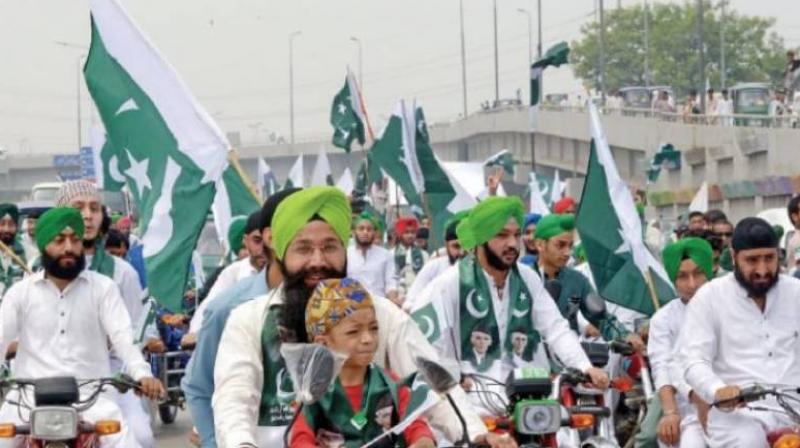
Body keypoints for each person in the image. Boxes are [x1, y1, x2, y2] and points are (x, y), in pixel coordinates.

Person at [211, 187, 509, 448]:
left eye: (329, 247)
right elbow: (234, 399)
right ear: (281, 252)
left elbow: (430, 379)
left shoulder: (380, 313)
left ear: (345, 249)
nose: (318, 261)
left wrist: (476, 433)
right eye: (303, 249)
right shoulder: (249, 319)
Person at [410, 196, 609, 416]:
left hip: (530, 400)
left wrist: (584, 366)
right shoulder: (448, 285)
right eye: (502, 235)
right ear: (480, 239)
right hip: (472, 406)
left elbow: (555, 329)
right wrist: (451, 379)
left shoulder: (527, 279)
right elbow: (422, 348)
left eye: (516, 235)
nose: (513, 244)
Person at [0, 207, 164, 448]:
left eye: (74, 240)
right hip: (28, 401)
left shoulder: (103, 288)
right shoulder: (20, 293)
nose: (68, 247)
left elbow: (123, 338)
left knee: (132, 442)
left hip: (92, 399)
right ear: (44, 245)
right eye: (59, 240)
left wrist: (142, 375)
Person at [182, 188, 301, 448]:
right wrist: (214, 442)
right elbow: (198, 386)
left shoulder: (334, 304)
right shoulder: (229, 308)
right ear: (270, 237)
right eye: (299, 232)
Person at [679, 217, 800, 447]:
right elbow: (694, 360)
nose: (763, 270)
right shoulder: (710, 298)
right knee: (749, 441)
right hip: (738, 415)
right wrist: (718, 390)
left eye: (769, 258)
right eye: (752, 260)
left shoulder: (796, 293)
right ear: (734, 257)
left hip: (793, 407)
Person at [54, 180, 157, 447]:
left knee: (140, 436)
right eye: (78, 207)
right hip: (51, 377)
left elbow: (134, 334)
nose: (87, 215)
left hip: (109, 377)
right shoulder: (37, 270)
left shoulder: (122, 273)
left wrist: (131, 373)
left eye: (94, 208)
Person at [289, 278, 436, 448]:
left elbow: (415, 423)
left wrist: (423, 440)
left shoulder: (391, 384)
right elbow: (300, 440)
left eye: (374, 328)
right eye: (353, 332)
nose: (368, 339)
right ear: (323, 344)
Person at [533, 214, 642, 347]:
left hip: (571, 359)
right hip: (530, 359)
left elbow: (601, 319)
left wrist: (624, 335)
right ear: (540, 245)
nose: (567, 252)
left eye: (570, 246)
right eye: (560, 245)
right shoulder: (523, 278)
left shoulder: (578, 281)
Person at [647, 238, 713, 448]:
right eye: (682, 276)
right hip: (679, 398)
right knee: (648, 436)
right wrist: (670, 413)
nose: (692, 284)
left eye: (698, 273)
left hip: (728, 398)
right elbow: (664, 366)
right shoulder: (663, 318)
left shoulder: (729, 307)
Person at [190, 211, 266, 333]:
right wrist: (196, 334)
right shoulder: (232, 273)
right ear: (245, 241)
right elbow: (208, 309)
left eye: (268, 241)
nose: (263, 249)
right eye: (257, 241)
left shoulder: (284, 274)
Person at [404, 210, 470, 311]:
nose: (462, 252)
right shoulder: (434, 267)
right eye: (456, 246)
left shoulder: (481, 271)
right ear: (446, 245)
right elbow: (410, 302)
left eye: (467, 246)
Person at [347, 211, 398, 301]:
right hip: (352, 307)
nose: (365, 232)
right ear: (354, 232)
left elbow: (390, 282)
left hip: (379, 306)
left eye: (369, 229)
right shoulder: (346, 254)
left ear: (374, 233)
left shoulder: (386, 255)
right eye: (361, 229)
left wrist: (393, 299)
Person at [394, 216, 429, 301]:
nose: (410, 235)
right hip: (396, 300)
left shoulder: (424, 255)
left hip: (417, 299)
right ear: (400, 234)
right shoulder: (390, 254)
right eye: (406, 232)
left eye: (413, 232)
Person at [0, 203, 26, 297]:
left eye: (11, 224)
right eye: (2, 224)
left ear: (16, 227)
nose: (6, 229)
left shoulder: (27, 250)